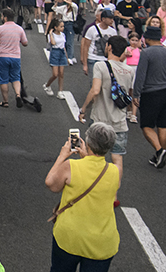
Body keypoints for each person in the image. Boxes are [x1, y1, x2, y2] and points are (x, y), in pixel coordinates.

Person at [45, 122, 120, 271]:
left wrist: (62, 156)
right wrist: (86, 156)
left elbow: (51, 183)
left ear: (89, 142)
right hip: (102, 242)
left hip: (70, 237)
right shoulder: (114, 171)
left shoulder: (71, 166)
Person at [79, 36, 134, 206]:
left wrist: (83, 108)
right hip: (120, 123)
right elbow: (129, 96)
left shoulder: (101, 66)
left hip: (100, 121)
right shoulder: (129, 70)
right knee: (117, 160)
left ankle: (90, 190)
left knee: (92, 156)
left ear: (109, 47)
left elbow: (95, 91)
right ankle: (113, 196)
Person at [132, 26, 166, 169]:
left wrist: (136, 94)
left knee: (146, 126)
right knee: (163, 125)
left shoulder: (146, 53)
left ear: (148, 38)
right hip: (165, 91)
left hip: (150, 93)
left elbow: (141, 75)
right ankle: (159, 156)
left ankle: (160, 151)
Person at [0, 8, 28, 108]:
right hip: (15, 57)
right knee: (16, 78)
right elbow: (25, 43)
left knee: (3, 80)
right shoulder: (19, 29)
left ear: (4, 17)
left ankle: (5, 101)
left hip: (3, 57)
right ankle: (18, 95)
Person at [82, 10, 117, 78]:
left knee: (105, 83)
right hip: (93, 58)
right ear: (103, 19)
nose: (112, 20)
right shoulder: (92, 29)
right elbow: (86, 47)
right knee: (94, 82)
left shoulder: (113, 31)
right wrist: (85, 64)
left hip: (106, 60)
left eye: (112, 18)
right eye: (110, 18)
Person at [44, 18, 68, 99]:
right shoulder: (51, 35)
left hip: (62, 53)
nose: (63, 28)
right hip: (55, 53)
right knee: (55, 74)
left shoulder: (63, 35)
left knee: (61, 74)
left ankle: (60, 91)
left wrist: (66, 57)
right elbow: (53, 43)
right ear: (55, 27)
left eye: (63, 26)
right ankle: (47, 85)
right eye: (61, 26)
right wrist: (50, 34)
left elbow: (64, 47)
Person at [53, 0, 79, 64]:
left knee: (69, 42)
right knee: (64, 40)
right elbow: (55, 9)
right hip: (64, 24)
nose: (66, 0)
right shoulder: (64, 7)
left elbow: (74, 5)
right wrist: (57, 2)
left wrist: (64, 0)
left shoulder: (74, 8)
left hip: (70, 24)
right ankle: (68, 55)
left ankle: (70, 57)